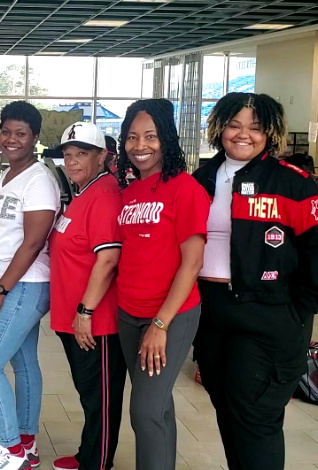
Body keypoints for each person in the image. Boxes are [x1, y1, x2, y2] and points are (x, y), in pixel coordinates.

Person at [192, 93, 318, 470]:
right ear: (219, 128)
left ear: (269, 134)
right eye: (234, 125)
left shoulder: (292, 183)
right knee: (226, 407)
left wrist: (300, 308)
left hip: (268, 316)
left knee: (255, 416)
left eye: (255, 128)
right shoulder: (202, 178)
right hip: (210, 312)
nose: (243, 135)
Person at [115, 99, 209, 470]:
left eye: (151, 137)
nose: (141, 146)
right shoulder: (130, 192)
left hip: (170, 315)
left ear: (166, 140)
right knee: (158, 405)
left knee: (145, 410)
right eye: (133, 137)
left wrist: (160, 324)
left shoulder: (184, 189)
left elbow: (193, 263)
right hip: (128, 313)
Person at [0, 101, 60, 470]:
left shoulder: (39, 180)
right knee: (23, 364)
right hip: (14, 283)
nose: (11, 139)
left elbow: (32, 242)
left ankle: (11, 450)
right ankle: (26, 444)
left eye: (20, 133)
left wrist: (0, 290)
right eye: (6, 131)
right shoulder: (10, 175)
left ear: (35, 138)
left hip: (23, 285)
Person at [48, 122, 127, 470]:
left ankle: (98, 463)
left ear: (102, 156)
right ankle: (88, 455)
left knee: (101, 397)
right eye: (68, 155)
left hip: (97, 320)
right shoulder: (84, 192)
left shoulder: (106, 194)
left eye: (82, 153)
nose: (73, 161)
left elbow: (108, 260)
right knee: (89, 394)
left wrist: (85, 312)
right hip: (74, 315)